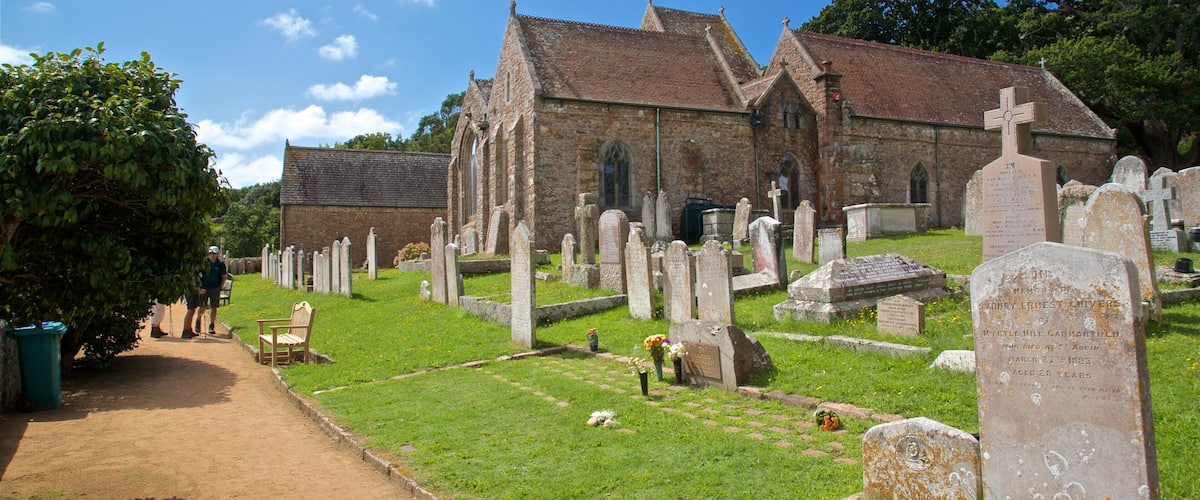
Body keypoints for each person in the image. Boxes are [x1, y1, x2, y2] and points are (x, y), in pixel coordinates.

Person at [181, 246, 227, 338]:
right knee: (201, 306)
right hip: (204, 288)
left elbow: (223, 276)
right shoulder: (204, 263)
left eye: (214, 253)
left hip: (215, 288)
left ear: (217, 254)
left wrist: (220, 286)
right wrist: (199, 287)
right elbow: (198, 275)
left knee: (214, 307)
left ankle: (211, 325)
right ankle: (198, 320)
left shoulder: (220, 264)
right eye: (210, 253)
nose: (212, 255)